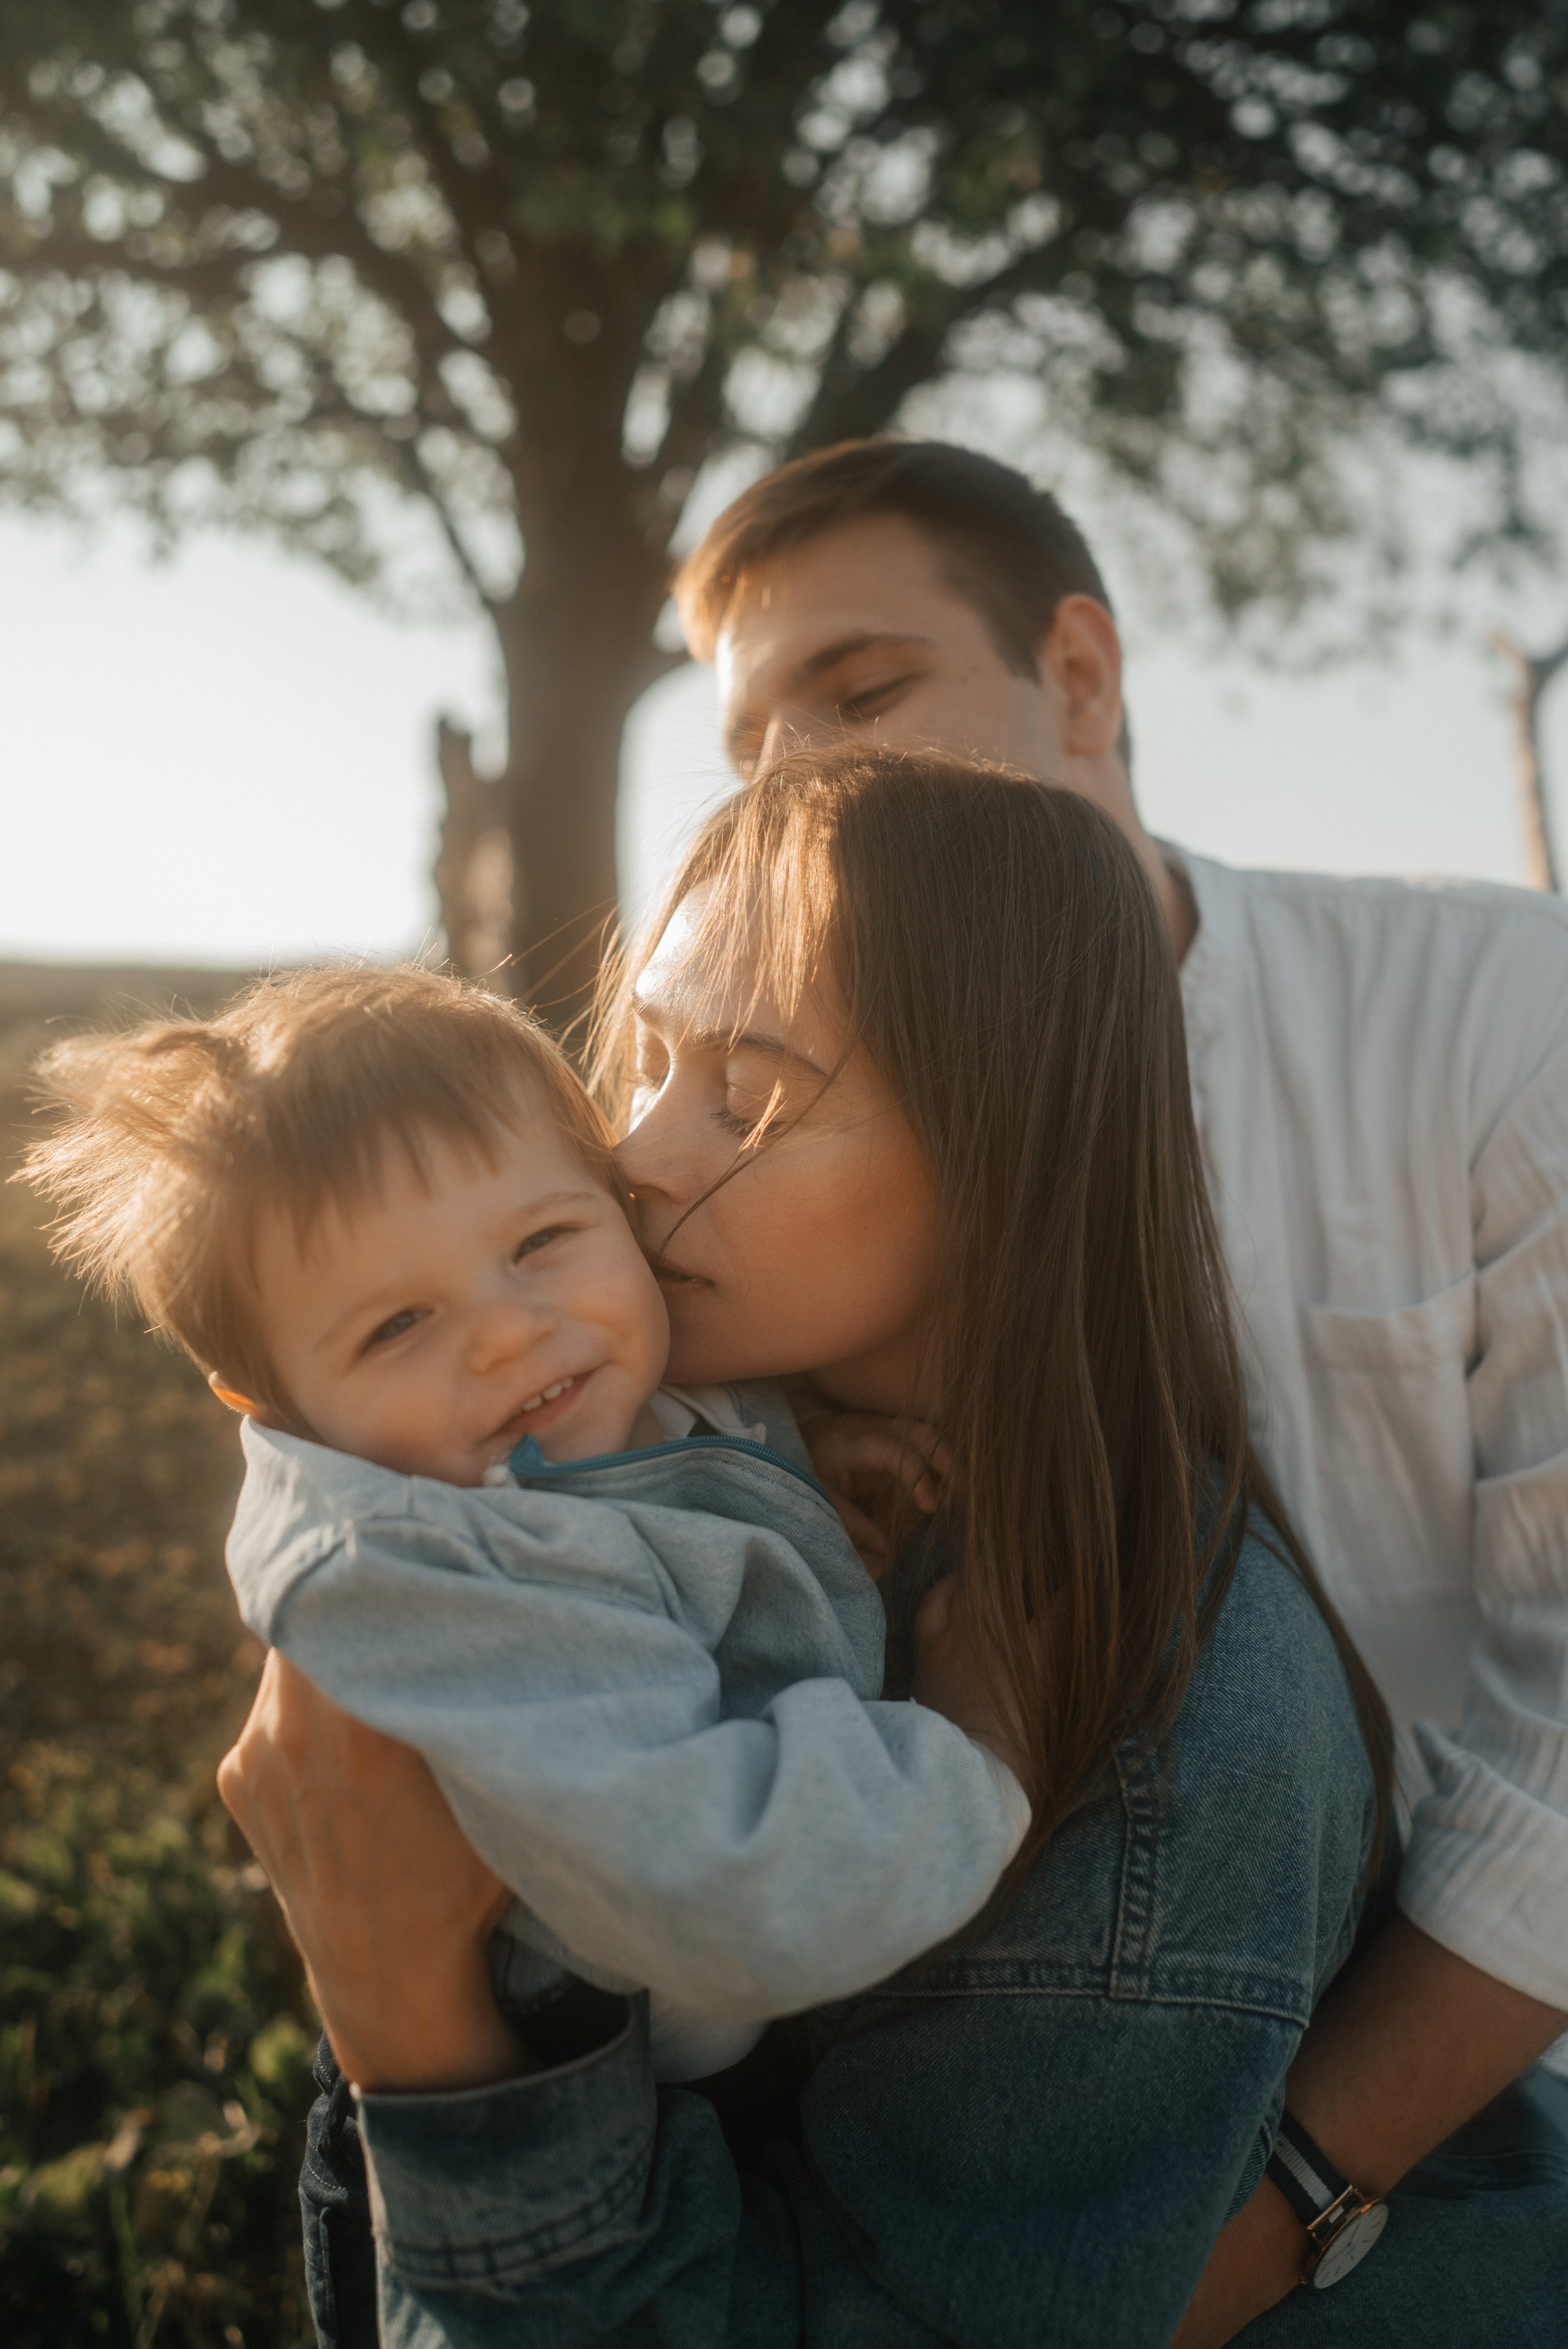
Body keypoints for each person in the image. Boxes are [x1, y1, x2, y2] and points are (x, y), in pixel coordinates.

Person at [221, 753, 1568, 2347]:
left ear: (1002, 1149)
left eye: (751, 1092)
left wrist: (412, 2028)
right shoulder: (669, 1468)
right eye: (648, 1060)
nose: (640, 1152)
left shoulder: (1115, 1718)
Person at [666, 439, 1568, 2339]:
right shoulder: (753, 1186)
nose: (802, 782)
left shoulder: (1502, 1020)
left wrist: (1287, 2198)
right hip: (968, 2045)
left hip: (1465, 2093)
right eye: (751, 740)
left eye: (865, 688)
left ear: (1082, 675)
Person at [19, 963, 1030, 2086]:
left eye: (542, 1241)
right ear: (278, 1411)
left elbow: (625, 1468)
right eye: (399, 1321)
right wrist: (979, 1748)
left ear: (610, 1194)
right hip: (644, 2054)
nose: (509, 1332)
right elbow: (725, 1885)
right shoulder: (427, 1577)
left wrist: (774, 1459)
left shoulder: (522, 1425)